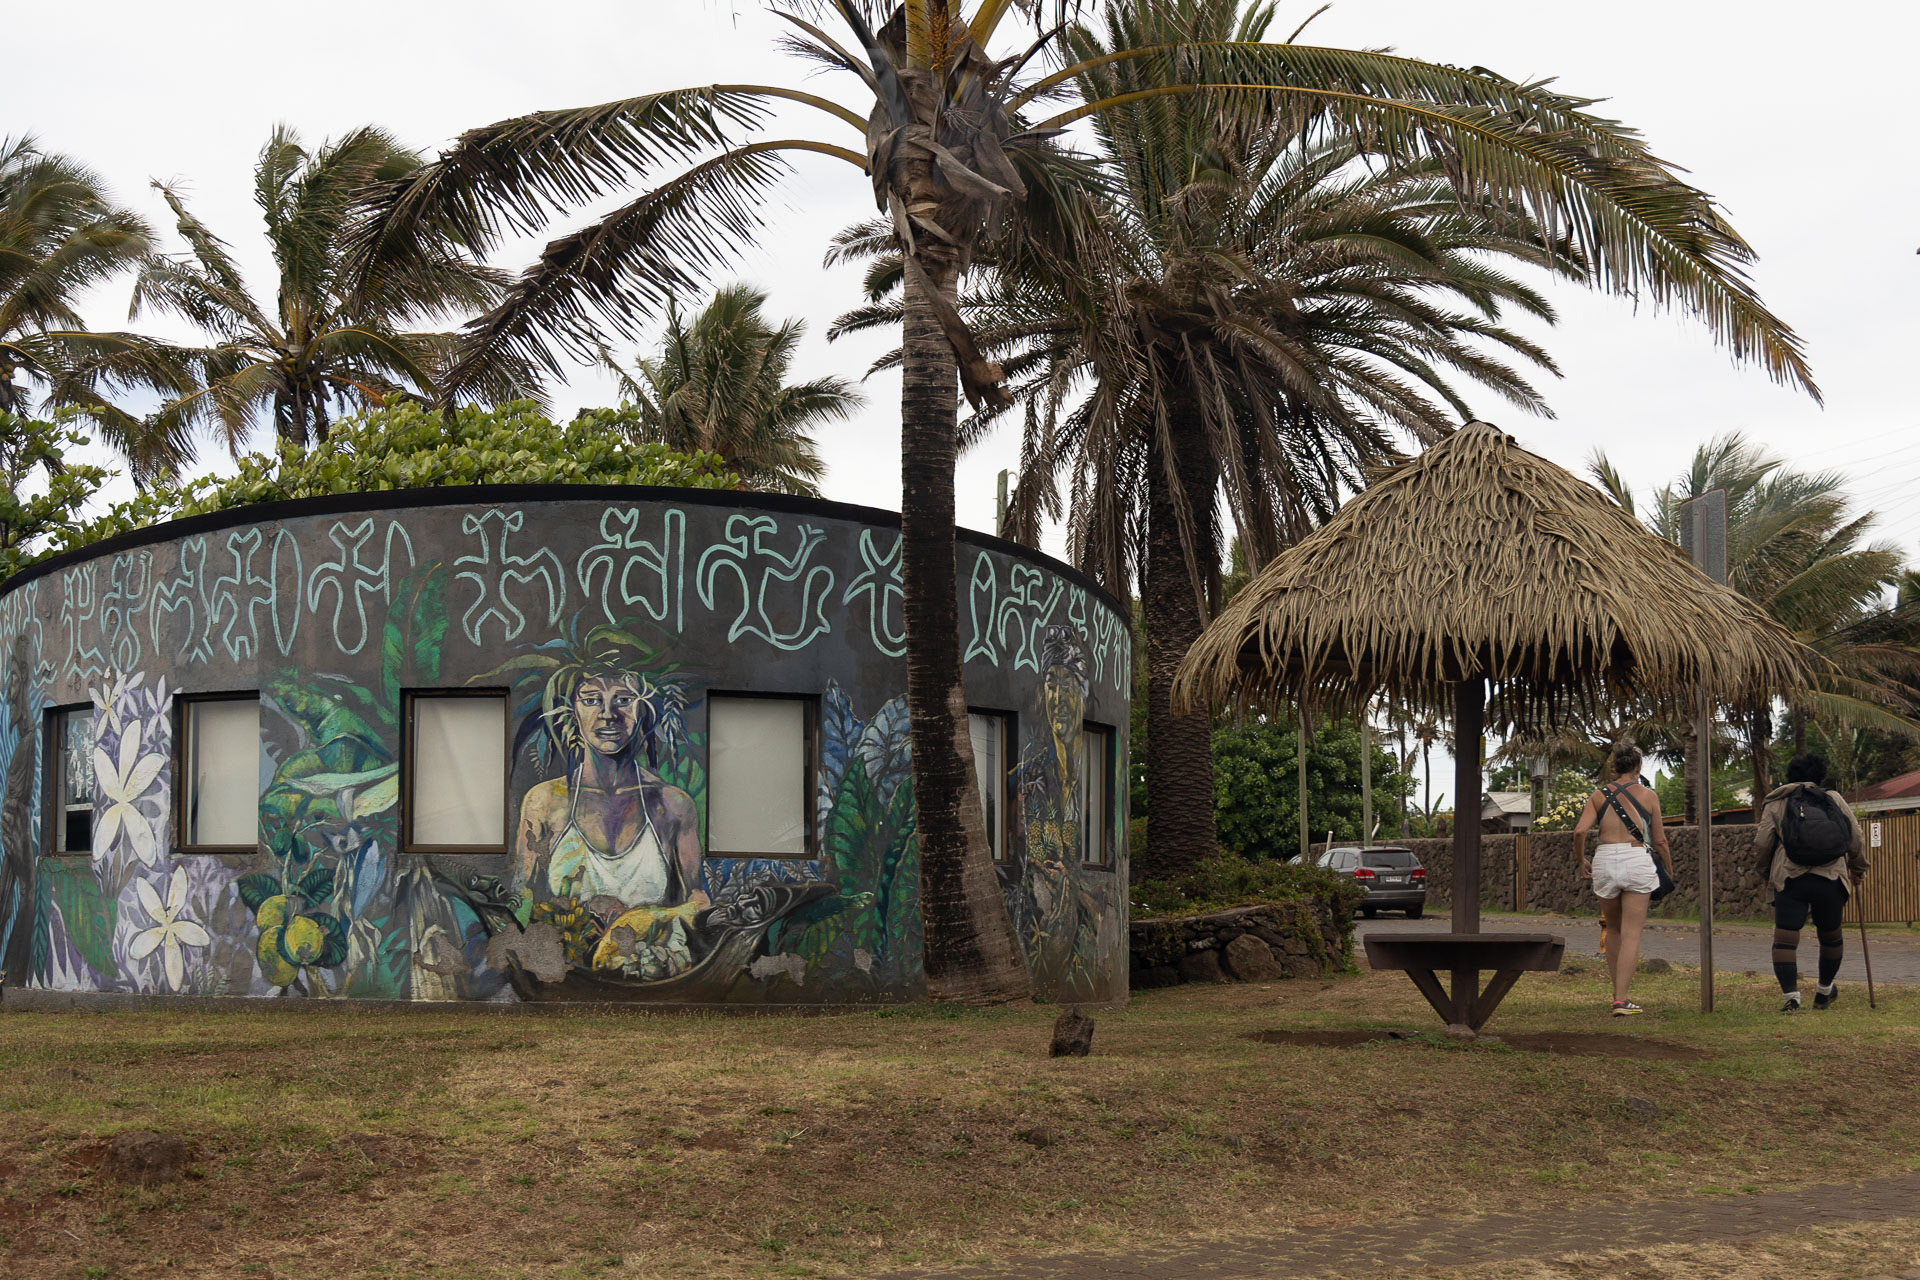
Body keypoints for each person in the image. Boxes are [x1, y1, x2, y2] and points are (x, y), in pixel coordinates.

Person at [1752, 753, 1868, 1012]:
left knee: (1785, 938)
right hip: (1831, 877)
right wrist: (1858, 868)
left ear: (1789, 777)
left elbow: (1762, 844)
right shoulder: (1833, 799)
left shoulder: (1778, 803)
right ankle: (1824, 992)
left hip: (1791, 878)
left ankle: (1791, 998)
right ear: (1819, 776)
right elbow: (1855, 836)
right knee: (1831, 937)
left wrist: (1764, 873)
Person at [1571, 741, 1673, 1016]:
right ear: (1638, 767)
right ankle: (1621, 1000)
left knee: (1612, 929)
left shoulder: (1598, 795)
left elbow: (1580, 832)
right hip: (1636, 857)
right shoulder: (1649, 795)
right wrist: (1668, 868)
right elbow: (1660, 840)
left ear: (1615, 766)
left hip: (1604, 858)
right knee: (1631, 933)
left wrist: (1582, 860)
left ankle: (1618, 995)